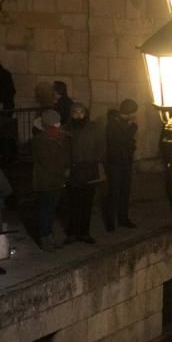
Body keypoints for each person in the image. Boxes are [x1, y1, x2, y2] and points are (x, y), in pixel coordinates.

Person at [64, 103, 104, 245]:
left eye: (81, 112)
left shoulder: (93, 128)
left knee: (86, 203)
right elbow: (64, 149)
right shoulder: (66, 128)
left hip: (88, 170)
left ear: (85, 113)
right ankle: (72, 233)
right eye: (75, 112)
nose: (78, 115)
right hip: (73, 171)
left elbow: (101, 146)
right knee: (72, 204)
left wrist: (94, 160)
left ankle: (84, 233)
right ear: (71, 114)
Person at [32, 109, 68, 251]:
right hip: (46, 182)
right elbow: (48, 162)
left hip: (55, 181)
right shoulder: (40, 140)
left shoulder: (57, 138)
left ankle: (49, 237)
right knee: (45, 211)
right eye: (56, 123)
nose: (59, 125)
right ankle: (44, 238)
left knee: (51, 211)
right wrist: (63, 172)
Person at [104, 99, 139, 231]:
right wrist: (133, 127)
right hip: (115, 162)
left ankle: (123, 218)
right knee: (114, 191)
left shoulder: (124, 123)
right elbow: (121, 140)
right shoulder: (113, 124)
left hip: (125, 161)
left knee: (125, 190)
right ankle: (110, 221)